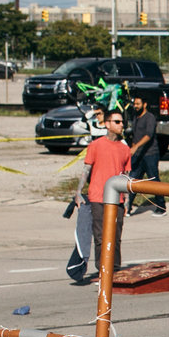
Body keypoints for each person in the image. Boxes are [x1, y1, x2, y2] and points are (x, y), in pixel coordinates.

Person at [65, 108, 130, 285]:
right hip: (98, 197)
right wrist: (78, 193)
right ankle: (103, 270)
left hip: (117, 200)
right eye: (117, 122)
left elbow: (126, 177)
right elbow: (86, 170)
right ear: (107, 124)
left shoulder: (125, 149)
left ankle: (114, 269)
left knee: (116, 236)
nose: (121, 125)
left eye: (122, 122)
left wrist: (127, 203)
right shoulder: (95, 145)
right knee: (101, 236)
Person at [125, 92, 161, 184]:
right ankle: (129, 198)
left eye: (138, 104)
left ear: (144, 105)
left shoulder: (150, 117)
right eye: (134, 104)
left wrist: (136, 146)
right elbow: (135, 134)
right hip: (138, 155)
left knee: (154, 180)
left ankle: (160, 199)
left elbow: (148, 135)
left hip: (150, 154)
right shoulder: (135, 117)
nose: (135, 106)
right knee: (133, 181)